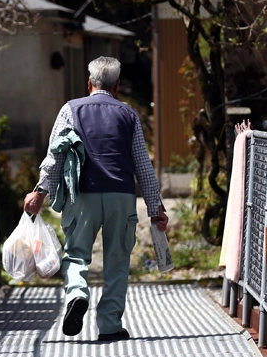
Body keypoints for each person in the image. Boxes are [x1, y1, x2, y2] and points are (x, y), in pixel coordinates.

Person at [23, 56, 168, 341]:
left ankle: (77, 293)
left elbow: (56, 154)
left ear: (89, 83)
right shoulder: (129, 115)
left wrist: (40, 191)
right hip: (121, 196)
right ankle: (110, 326)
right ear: (117, 88)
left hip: (82, 195)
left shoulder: (70, 110)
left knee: (76, 254)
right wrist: (155, 207)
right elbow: (142, 163)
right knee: (117, 260)